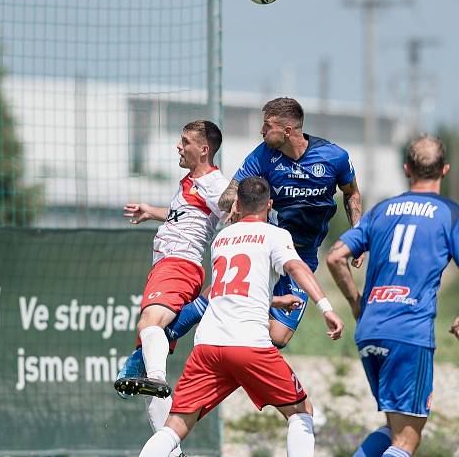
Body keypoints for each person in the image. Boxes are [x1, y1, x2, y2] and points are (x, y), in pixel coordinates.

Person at [138, 176, 344, 457]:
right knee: (301, 412)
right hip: (250, 346)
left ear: (237, 203)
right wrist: (326, 307)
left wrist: (275, 300)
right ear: (269, 205)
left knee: (174, 427)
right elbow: (297, 268)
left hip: (208, 347)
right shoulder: (275, 234)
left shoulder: (222, 239)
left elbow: (230, 290)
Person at [326, 135, 459, 457]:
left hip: (370, 329)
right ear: (446, 170)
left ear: (406, 169)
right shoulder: (450, 212)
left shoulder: (381, 210)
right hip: (409, 334)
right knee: (407, 441)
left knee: (392, 431)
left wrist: (358, 303)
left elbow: (335, 257)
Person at [113, 121, 228, 457]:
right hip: (169, 267)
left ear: (204, 149)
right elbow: (184, 216)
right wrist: (154, 212)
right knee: (150, 373)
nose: (178, 147)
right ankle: (172, 452)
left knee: (150, 327)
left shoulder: (215, 184)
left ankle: (158, 376)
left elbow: (234, 217)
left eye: (185, 142)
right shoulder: (191, 183)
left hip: (179, 265)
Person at [217, 96, 363, 347]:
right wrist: (236, 203)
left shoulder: (334, 157)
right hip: (266, 250)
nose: (261, 131)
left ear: (287, 130)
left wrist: (357, 236)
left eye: (266, 125)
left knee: (278, 337)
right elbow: (227, 196)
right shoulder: (263, 156)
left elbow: (351, 193)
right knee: (235, 313)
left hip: (303, 255)